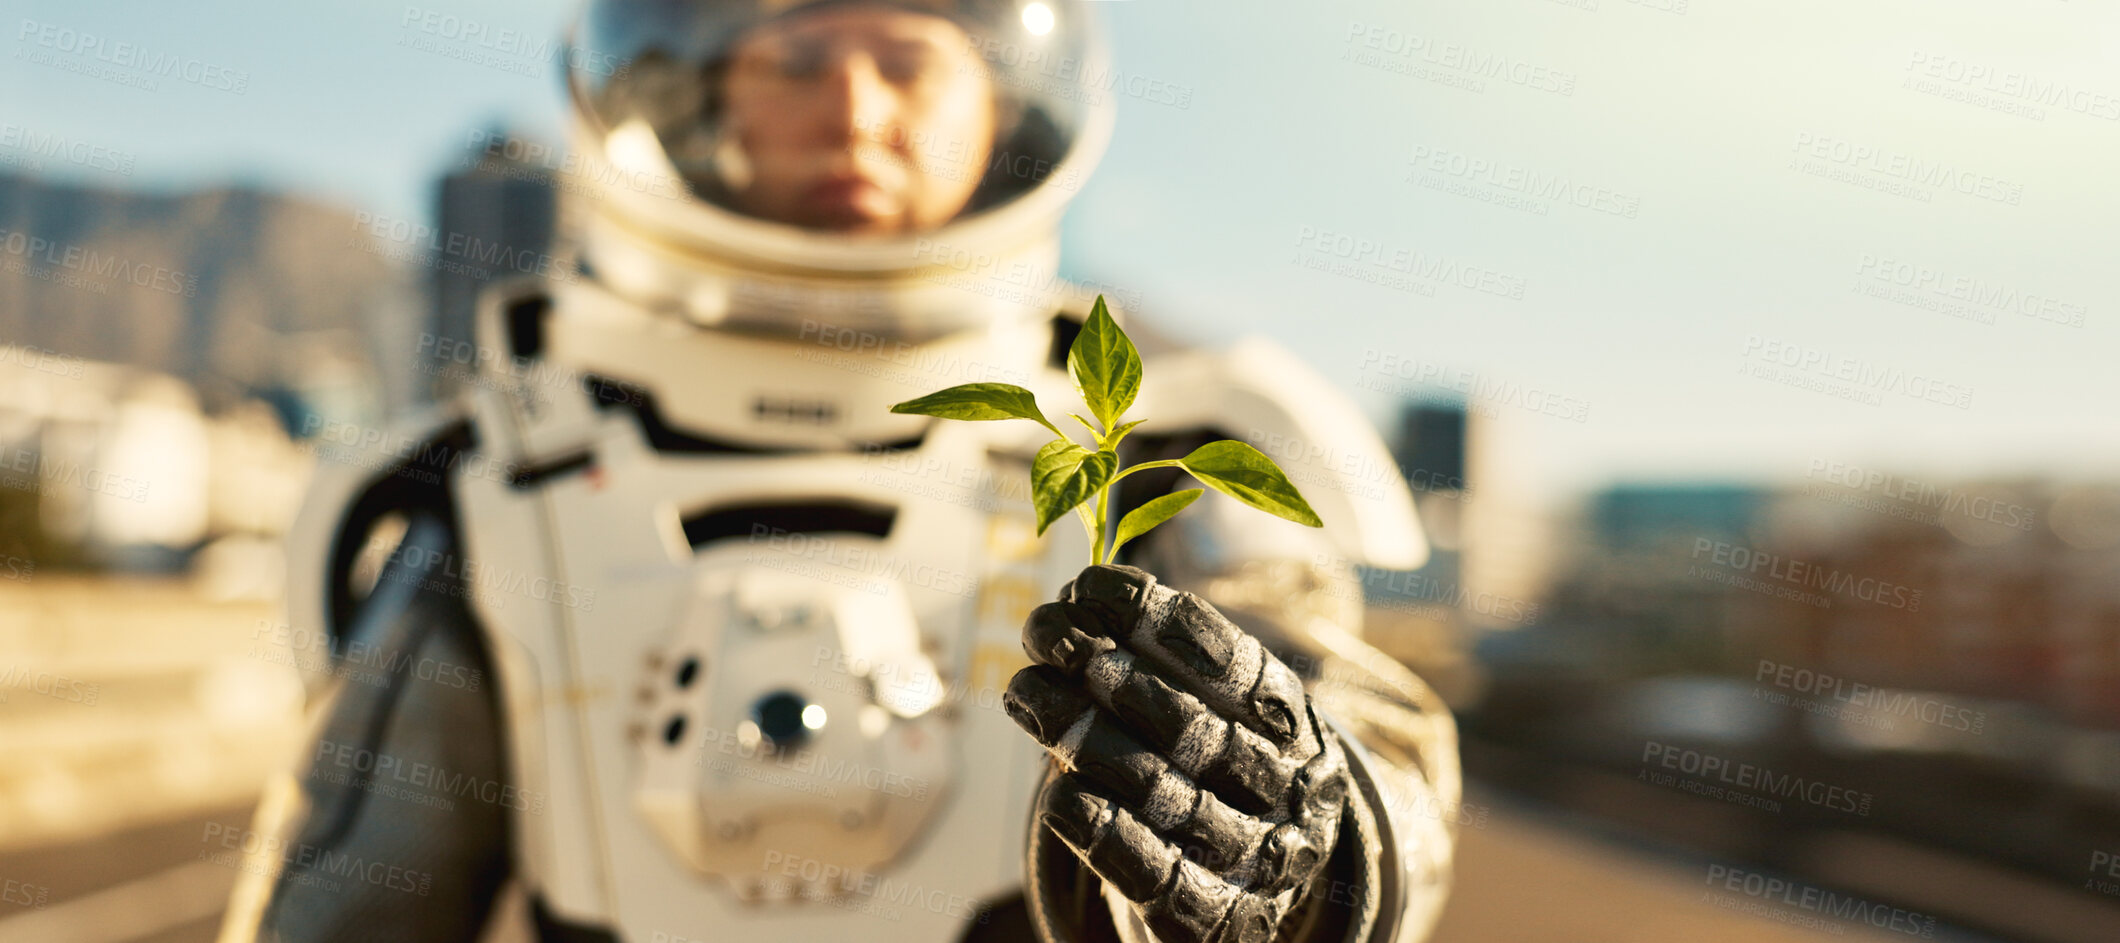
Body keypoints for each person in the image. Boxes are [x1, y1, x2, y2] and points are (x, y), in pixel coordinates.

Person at [221, 2, 1460, 941]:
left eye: (911, 60)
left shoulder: (1153, 462)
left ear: (1001, 105)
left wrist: (1327, 841)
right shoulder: (496, 485)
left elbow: (1361, 738)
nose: (857, 112)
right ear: (700, 97)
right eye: (798, 59)